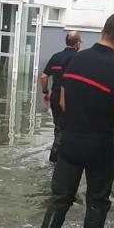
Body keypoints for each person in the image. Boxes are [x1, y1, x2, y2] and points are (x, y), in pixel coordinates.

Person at [32, 13, 114, 228]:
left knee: (60, 200)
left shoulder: (75, 60)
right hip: (99, 147)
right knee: (96, 203)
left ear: (103, 32)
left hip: (70, 143)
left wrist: (73, 126)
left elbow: (62, 100)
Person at [41, 31, 82, 162]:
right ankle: (57, 158)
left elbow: (43, 76)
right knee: (67, 130)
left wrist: (45, 92)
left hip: (55, 97)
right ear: (77, 44)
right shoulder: (78, 58)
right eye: (80, 42)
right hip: (70, 100)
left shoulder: (56, 57)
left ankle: (56, 156)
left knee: (58, 127)